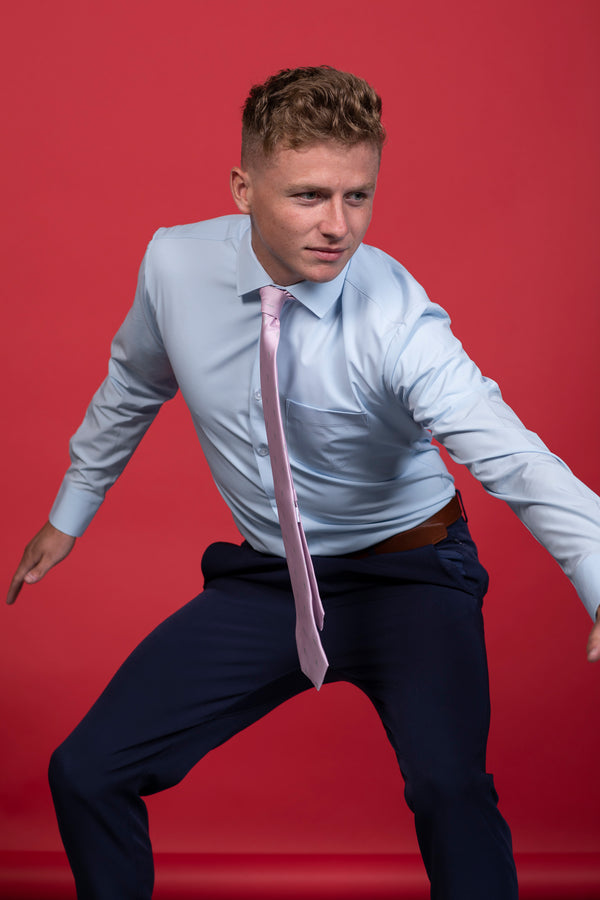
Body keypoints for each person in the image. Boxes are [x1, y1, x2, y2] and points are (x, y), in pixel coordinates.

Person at [7, 65, 600, 900]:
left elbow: (513, 455)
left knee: (450, 791)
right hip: (270, 579)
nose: (338, 226)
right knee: (86, 770)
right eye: (309, 196)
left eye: (358, 196)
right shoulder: (174, 263)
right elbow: (135, 381)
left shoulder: (398, 321)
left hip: (410, 574)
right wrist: (72, 508)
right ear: (243, 188)